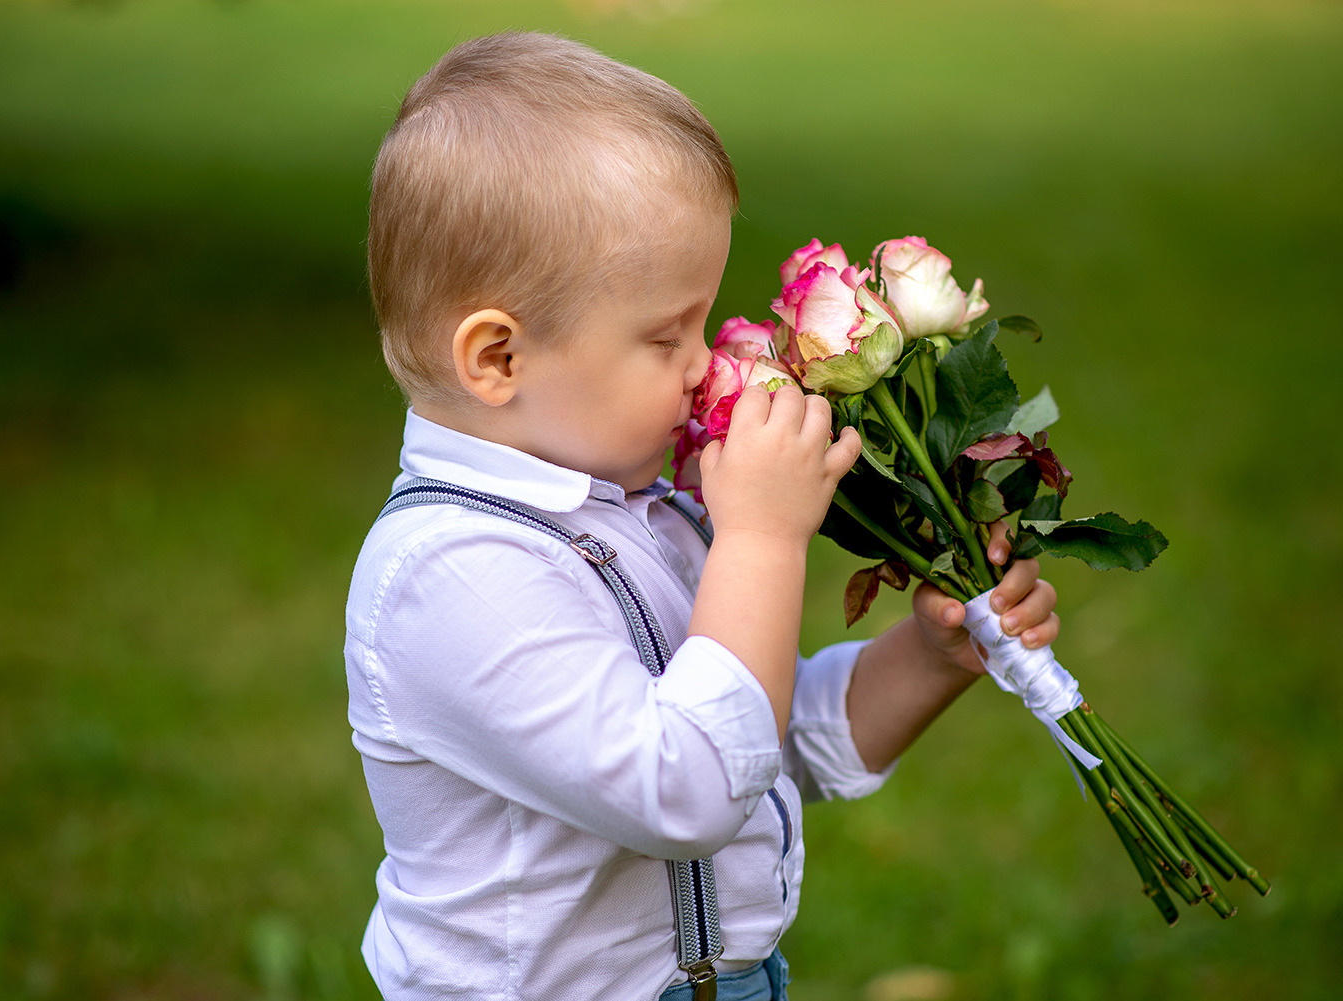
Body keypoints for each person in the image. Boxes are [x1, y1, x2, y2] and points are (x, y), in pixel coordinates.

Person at [344, 31, 1060, 1001]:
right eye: (662, 333)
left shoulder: (630, 509)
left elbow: (761, 734)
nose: (700, 361)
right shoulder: (453, 573)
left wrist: (929, 657)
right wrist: (764, 537)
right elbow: (691, 782)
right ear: (498, 359)